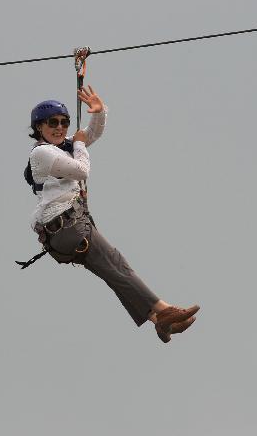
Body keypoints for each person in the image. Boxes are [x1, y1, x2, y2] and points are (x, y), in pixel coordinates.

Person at [24, 86, 200, 343]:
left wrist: (99, 112)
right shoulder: (42, 153)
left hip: (68, 228)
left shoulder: (63, 148)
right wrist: (80, 144)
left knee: (115, 270)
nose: (59, 127)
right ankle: (164, 310)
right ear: (39, 127)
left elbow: (90, 134)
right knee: (117, 266)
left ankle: (160, 322)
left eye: (64, 122)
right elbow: (82, 170)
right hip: (66, 228)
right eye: (53, 123)